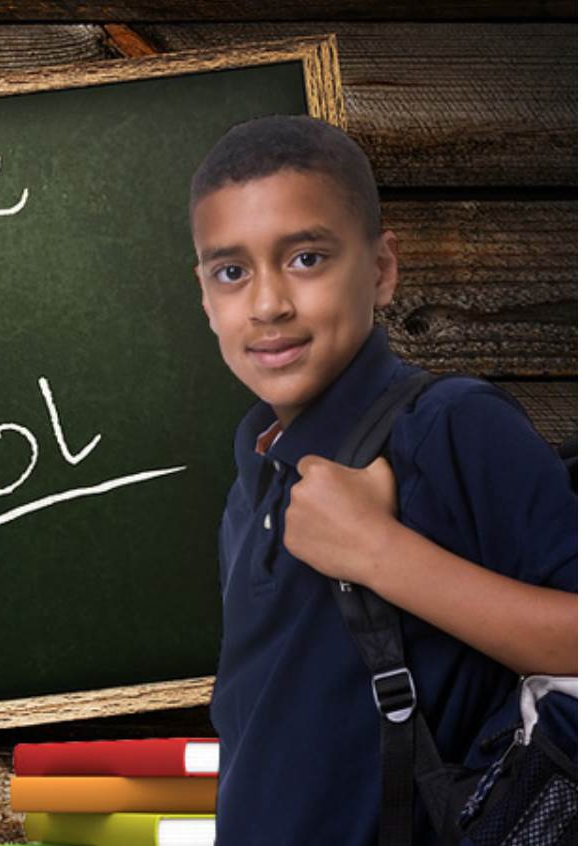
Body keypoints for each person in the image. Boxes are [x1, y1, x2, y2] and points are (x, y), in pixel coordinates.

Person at [191, 115, 577, 843]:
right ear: (206, 299)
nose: (269, 303)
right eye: (232, 271)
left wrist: (380, 553)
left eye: (306, 258)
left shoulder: (450, 425)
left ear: (382, 269)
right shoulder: (250, 483)